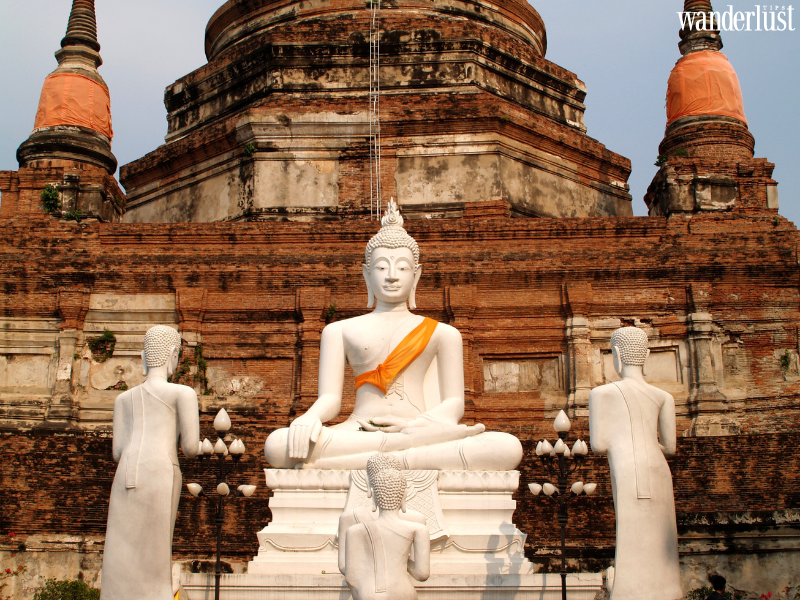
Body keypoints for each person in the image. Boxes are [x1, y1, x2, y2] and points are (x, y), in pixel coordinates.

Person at [265, 199, 522, 471]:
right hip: (357, 432)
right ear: (367, 274)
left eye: (402, 267)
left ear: (416, 275)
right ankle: (400, 459)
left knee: (506, 447)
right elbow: (330, 400)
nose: (391, 276)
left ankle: (374, 459)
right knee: (278, 444)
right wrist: (310, 418)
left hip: (416, 432)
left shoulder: (444, 333)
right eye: (381, 267)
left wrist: (412, 427)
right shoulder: (338, 330)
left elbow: (454, 404)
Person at [100, 325, 199, 600]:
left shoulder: (123, 399)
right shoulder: (182, 393)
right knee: (156, 545)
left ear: (144, 357)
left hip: (126, 471)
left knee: (122, 543)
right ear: (173, 355)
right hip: (160, 469)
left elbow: (117, 452)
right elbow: (190, 448)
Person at [589, 327, 682, 600]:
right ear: (647, 355)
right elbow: (670, 447)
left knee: (631, 533)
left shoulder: (601, 393)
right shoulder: (664, 397)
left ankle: (629, 592)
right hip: (657, 467)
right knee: (660, 538)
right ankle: (666, 590)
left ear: (617, 355)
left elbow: (598, 445)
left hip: (626, 466)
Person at [341, 462, 430, 600]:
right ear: (404, 495)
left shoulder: (354, 531)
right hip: (403, 592)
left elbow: (351, 577)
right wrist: (402, 560)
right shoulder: (418, 529)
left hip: (370, 593)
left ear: (373, 495)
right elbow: (422, 574)